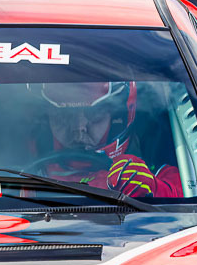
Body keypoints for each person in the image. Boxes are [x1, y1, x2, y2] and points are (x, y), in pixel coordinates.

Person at [36, 81, 183, 197]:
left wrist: (154, 188)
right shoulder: (26, 177)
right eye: (63, 115)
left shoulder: (161, 171)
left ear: (118, 118)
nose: (79, 129)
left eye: (94, 114)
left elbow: (189, 201)